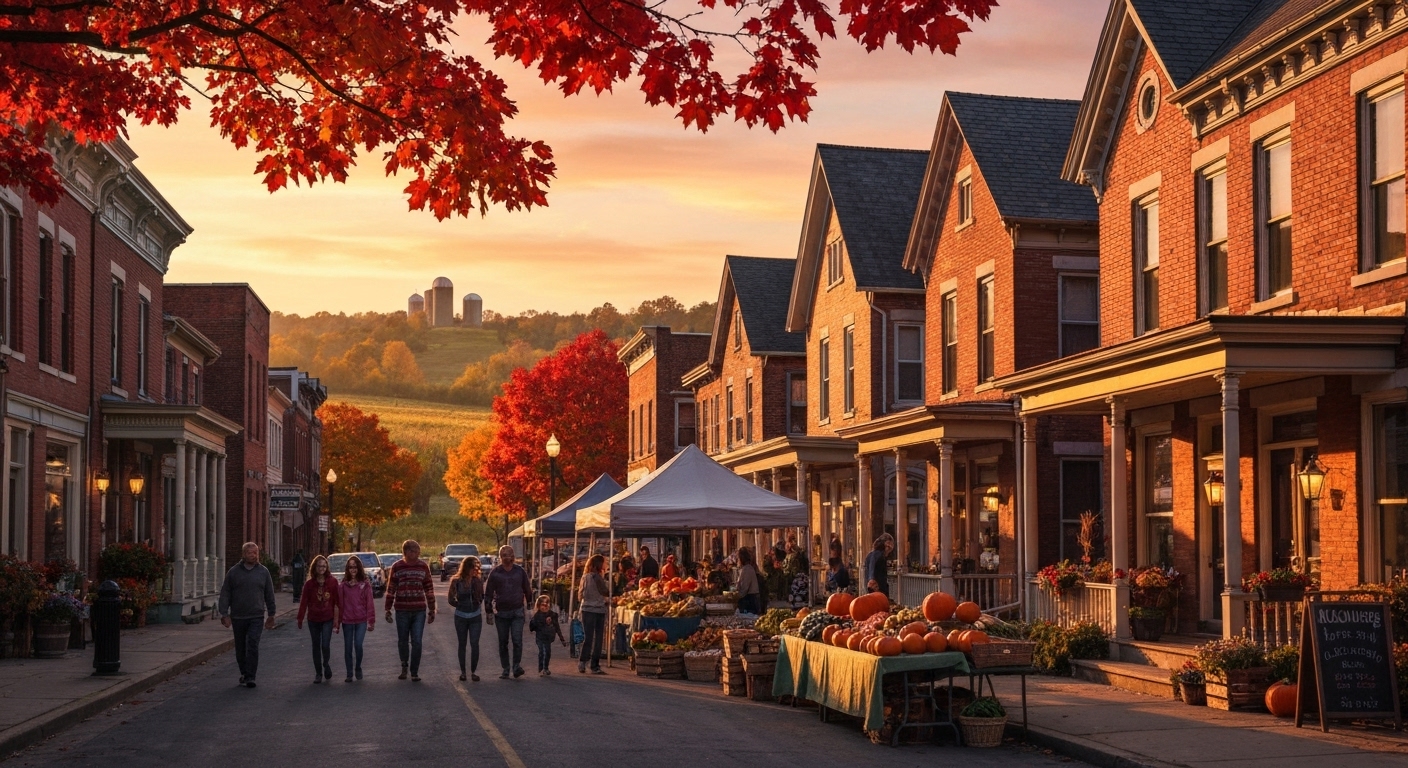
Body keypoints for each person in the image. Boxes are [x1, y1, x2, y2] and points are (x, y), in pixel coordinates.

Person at [217, 542, 277, 689]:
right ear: (244, 554)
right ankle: (244, 672)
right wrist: (224, 613)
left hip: (256, 616)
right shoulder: (233, 572)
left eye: (255, 553)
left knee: (253, 644)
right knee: (241, 647)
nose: (253, 555)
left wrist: (271, 614)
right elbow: (225, 593)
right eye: (250, 553)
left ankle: (251, 676)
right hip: (238, 616)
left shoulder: (263, 572)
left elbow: (269, 594)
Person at [384, 539, 436, 682]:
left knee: (417, 641)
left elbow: (429, 589)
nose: (417, 554)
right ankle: (404, 666)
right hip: (402, 609)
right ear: (406, 552)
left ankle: (414, 671)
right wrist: (387, 608)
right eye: (414, 551)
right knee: (402, 640)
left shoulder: (423, 567)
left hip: (419, 609)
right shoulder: (397, 567)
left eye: (418, 551)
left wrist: (432, 609)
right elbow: (391, 589)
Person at [484, 544, 532, 679]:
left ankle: (516, 666)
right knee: (503, 641)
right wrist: (488, 610)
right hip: (501, 612)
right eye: (504, 555)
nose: (507, 558)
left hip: (517, 611)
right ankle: (505, 668)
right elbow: (488, 592)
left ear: (513, 556)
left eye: (509, 555)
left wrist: (530, 603)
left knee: (517, 640)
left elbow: (527, 588)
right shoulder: (496, 572)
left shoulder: (519, 571)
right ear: (500, 557)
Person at [296, 554, 341, 684]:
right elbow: (304, 602)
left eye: (324, 565)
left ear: (327, 567)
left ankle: (326, 664)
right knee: (316, 645)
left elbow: (337, 601)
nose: (321, 568)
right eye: (319, 565)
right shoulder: (309, 584)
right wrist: (300, 618)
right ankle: (318, 673)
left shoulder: (332, 582)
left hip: (328, 618)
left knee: (325, 645)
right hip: (313, 619)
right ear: (314, 567)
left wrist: (338, 619)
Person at [339, 555, 376, 682]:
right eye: (350, 567)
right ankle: (349, 673)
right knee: (348, 647)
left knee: (358, 645)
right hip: (347, 620)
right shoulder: (343, 585)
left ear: (359, 568)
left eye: (355, 567)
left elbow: (370, 603)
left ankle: (358, 667)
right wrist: (337, 622)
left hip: (361, 620)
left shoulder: (365, 585)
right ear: (347, 569)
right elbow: (339, 604)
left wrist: (371, 621)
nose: (353, 569)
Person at [448, 557, 485, 682]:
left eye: (477, 567)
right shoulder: (456, 581)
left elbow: (482, 596)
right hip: (461, 616)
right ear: (467, 568)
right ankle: (463, 672)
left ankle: (473, 672)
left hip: (475, 616)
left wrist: (478, 601)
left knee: (475, 644)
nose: (475, 570)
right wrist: (459, 605)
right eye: (473, 567)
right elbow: (450, 598)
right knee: (462, 644)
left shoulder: (478, 581)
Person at [578, 554, 609, 675]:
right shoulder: (597, 578)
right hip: (598, 609)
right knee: (598, 638)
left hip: (586, 609)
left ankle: (582, 662)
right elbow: (605, 592)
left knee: (588, 638)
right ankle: (594, 665)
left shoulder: (584, 577)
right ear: (599, 565)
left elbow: (580, 594)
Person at [528, 594, 566, 676]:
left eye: (547, 604)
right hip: (540, 637)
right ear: (539, 605)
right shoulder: (537, 615)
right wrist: (539, 622)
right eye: (543, 604)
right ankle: (541, 668)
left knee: (547, 651)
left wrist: (562, 639)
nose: (545, 606)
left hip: (549, 636)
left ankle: (546, 667)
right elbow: (532, 627)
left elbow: (557, 627)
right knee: (542, 651)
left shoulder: (553, 615)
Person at [784, 535, 811, 609]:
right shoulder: (799, 553)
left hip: (795, 581)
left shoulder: (792, 556)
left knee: (796, 601)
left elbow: (789, 570)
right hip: (801, 579)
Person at [735, 547, 761, 615]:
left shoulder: (747, 569)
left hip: (749, 601)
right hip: (749, 600)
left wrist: (735, 597)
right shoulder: (745, 569)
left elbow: (744, 589)